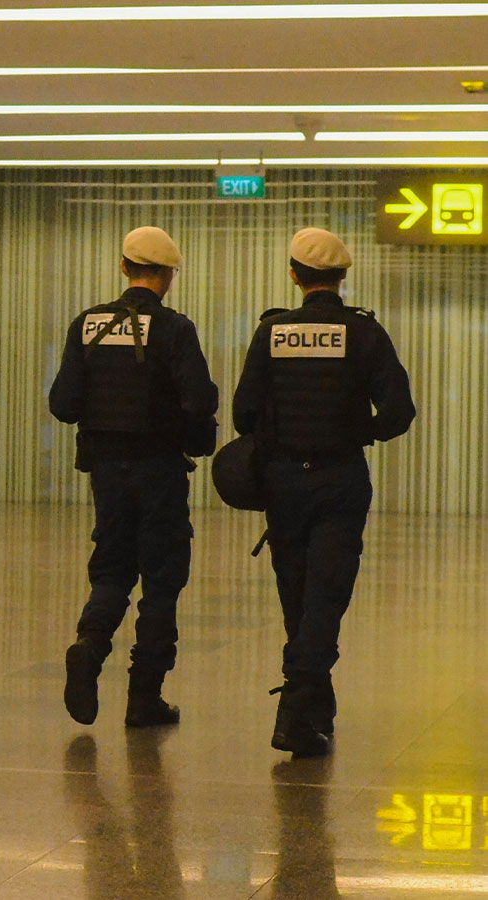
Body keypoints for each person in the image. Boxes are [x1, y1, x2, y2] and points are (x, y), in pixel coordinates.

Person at [233, 227, 415, 756]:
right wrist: (362, 433)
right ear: (342, 276)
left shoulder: (272, 332)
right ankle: (296, 709)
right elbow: (399, 413)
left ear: (294, 275)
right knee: (327, 593)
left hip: (283, 482)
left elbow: (245, 413)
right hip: (340, 479)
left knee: (298, 592)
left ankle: (314, 703)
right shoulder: (363, 334)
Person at [49, 226, 218, 727]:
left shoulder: (87, 324)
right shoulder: (175, 329)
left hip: (106, 472)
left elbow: (63, 404)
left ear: (124, 268)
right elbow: (200, 400)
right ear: (168, 276)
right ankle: (145, 696)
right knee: (162, 581)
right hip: (160, 471)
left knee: (113, 568)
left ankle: (89, 643)